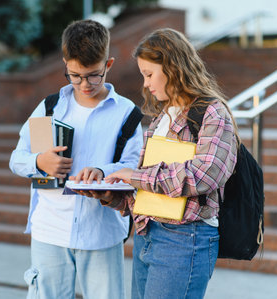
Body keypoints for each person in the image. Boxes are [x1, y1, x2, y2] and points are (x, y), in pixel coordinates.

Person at [80, 28, 239, 299]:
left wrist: (135, 176)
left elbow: (204, 176)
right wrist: (113, 196)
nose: (145, 84)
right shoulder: (161, 117)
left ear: (173, 67)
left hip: (184, 239)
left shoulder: (212, 112)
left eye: (149, 74)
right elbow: (153, 187)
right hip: (148, 234)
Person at [9, 19, 143, 299]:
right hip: (49, 230)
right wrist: (39, 162)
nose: (84, 84)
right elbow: (17, 158)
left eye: (94, 75)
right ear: (65, 64)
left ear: (108, 64)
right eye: (74, 75)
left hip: (102, 233)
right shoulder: (50, 107)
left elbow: (135, 168)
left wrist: (101, 171)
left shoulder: (126, 113)